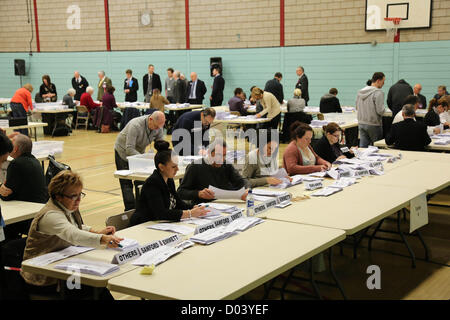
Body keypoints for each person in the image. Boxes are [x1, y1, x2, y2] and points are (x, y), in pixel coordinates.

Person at [20, 170, 122, 299]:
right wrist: (103, 238)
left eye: (80, 195)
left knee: (97, 288)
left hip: (63, 267)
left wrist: (96, 232)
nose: (78, 200)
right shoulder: (50, 215)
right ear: (58, 196)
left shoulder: (66, 207)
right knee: (91, 288)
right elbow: (72, 233)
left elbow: (74, 226)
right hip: (44, 277)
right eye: (74, 196)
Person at [129, 141, 209, 226]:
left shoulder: (169, 180)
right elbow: (161, 213)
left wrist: (195, 207)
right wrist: (190, 213)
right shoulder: (152, 183)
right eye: (174, 166)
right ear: (161, 167)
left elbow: (178, 204)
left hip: (159, 224)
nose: (177, 169)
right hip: (143, 225)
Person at [114, 111, 166, 211]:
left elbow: (161, 145)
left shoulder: (158, 126)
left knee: (140, 180)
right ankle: (130, 209)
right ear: (150, 119)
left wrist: (164, 156)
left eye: (160, 127)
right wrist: (145, 158)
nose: (158, 129)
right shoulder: (135, 125)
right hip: (122, 152)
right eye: (156, 127)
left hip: (139, 153)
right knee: (126, 182)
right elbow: (129, 149)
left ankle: (140, 208)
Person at [177, 139, 248, 204]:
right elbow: (181, 192)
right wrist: (198, 193)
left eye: (224, 155)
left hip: (225, 204)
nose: (222, 159)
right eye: (219, 155)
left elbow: (241, 181)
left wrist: (247, 189)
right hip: (204, 207)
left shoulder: (226, 165)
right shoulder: (195, 167)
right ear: (209, 153)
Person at [0, 134, 48, 203]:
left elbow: (6, 196)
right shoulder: (36, 161)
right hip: (40, 204)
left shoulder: (16, 164)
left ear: (15, 149)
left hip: (27, 206)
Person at [356, 72, 386, 147]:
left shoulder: (360, 92)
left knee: (363, 148)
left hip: (361, 123)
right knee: (376, 148)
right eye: (383, 81)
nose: (383, 84)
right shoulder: (378, 92)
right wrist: (385, 110)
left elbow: (357, 107)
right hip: (374, 124)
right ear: (378, 81)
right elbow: (380, 111)